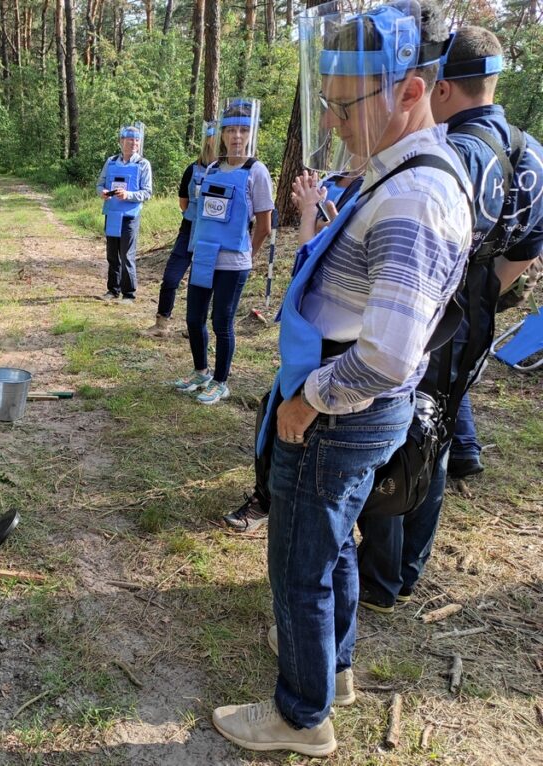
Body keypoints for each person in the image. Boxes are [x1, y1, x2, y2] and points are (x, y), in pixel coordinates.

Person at [211, 1, 471, 756]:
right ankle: (335, 666)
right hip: (344, 410)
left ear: (412, 93)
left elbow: (388, 354)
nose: (330, 120)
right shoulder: (392, 173)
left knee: (300, 563)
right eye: (325, 100)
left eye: (344, 104)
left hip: (339, 413)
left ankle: (302, 714)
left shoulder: (416, 198)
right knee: (334, 546)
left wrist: (308, 404)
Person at [356, 25, 543, 613]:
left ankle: (381, 577)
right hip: (477, 313)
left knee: (393, 437)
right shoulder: (529, 150)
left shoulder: (448, 152)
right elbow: (527, 248)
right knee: (434, 439)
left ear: (440, 84)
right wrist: (484, 291)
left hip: (429, 311)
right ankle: (409, 567)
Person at [222, 164, 365, 532]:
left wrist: (309, 216)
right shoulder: (334, 181)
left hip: (338, 348)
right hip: (310, 338)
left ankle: (279, 506)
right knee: (273, 413)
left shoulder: (382, 186)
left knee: (297, 426)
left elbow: (314, 252)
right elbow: (320, 246)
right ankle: (269, 499)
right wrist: (319, 216)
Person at [170, 99, 274, 403]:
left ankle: (220, 380)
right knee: (193, 318)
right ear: (222, 135)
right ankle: (200, 371)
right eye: (231, 130)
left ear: (251, 134)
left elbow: (264, 225)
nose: (237, 137)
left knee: (221, 322)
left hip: (232, 262)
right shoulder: (212, 168)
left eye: (244, 130)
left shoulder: (257, 171)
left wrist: (247, 256)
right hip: (203, 256)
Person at [143, 124, 218, 337]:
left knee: (202, 280)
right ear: (207, 142)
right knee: (171, 277)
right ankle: (161, 324)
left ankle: (195, 326)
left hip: (211, 234)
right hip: (189, 230)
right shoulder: (191, 169)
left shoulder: (227, 172)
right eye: (213, 139)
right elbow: (183, 203)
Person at [96, 125, 153, 303]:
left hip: (130, 216)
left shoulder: (143, 164)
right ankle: (113, 290)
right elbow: (100, 184)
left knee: (127, 254)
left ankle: (129, 294)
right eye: (130, 139)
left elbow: (147, 192)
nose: (133, 143)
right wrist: (102, 192)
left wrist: (128, 195)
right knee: (112, 254)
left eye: (136, 140)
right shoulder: (111, 161)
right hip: (112, 213)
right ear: (121, 141)